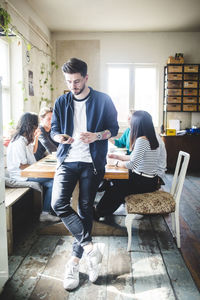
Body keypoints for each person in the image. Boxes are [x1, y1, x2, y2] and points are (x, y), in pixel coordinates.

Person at [50, 58, 119, 290]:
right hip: (67, 160)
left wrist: (96, 136)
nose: (73, 85)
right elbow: (54, 130)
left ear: (86, 78)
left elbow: (115, 129)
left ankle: (75, 261)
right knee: (58, 204)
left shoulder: (103, 100)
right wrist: (59, 137)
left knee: (85, 208)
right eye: (69, 81)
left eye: (77, 81)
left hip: (92, 162)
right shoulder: (61, 101)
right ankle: (91, 249)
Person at [94, 110, 161, 220]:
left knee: (117, 188)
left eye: (132, 121)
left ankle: (98, 212)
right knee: (115, 182)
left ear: (137, 124)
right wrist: (118, 157)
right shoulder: (150, 138)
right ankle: (104, 209)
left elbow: (132, 164)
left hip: (144, 181)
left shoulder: (142, 140)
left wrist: (115, 163)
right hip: (150, 180)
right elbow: (135, 157)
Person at [6, 112, 60, 222]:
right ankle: (48, 212)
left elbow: (33, 151)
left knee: (51, 183)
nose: (37, 127)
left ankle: (47, 212)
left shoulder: (23, 139)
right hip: (20, 175)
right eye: (36, 125)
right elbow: (22, 166)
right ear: (30, 125)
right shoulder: (18, 142)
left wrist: (36, 138)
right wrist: (39, 168)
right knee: (56, 178)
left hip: (26, 173)